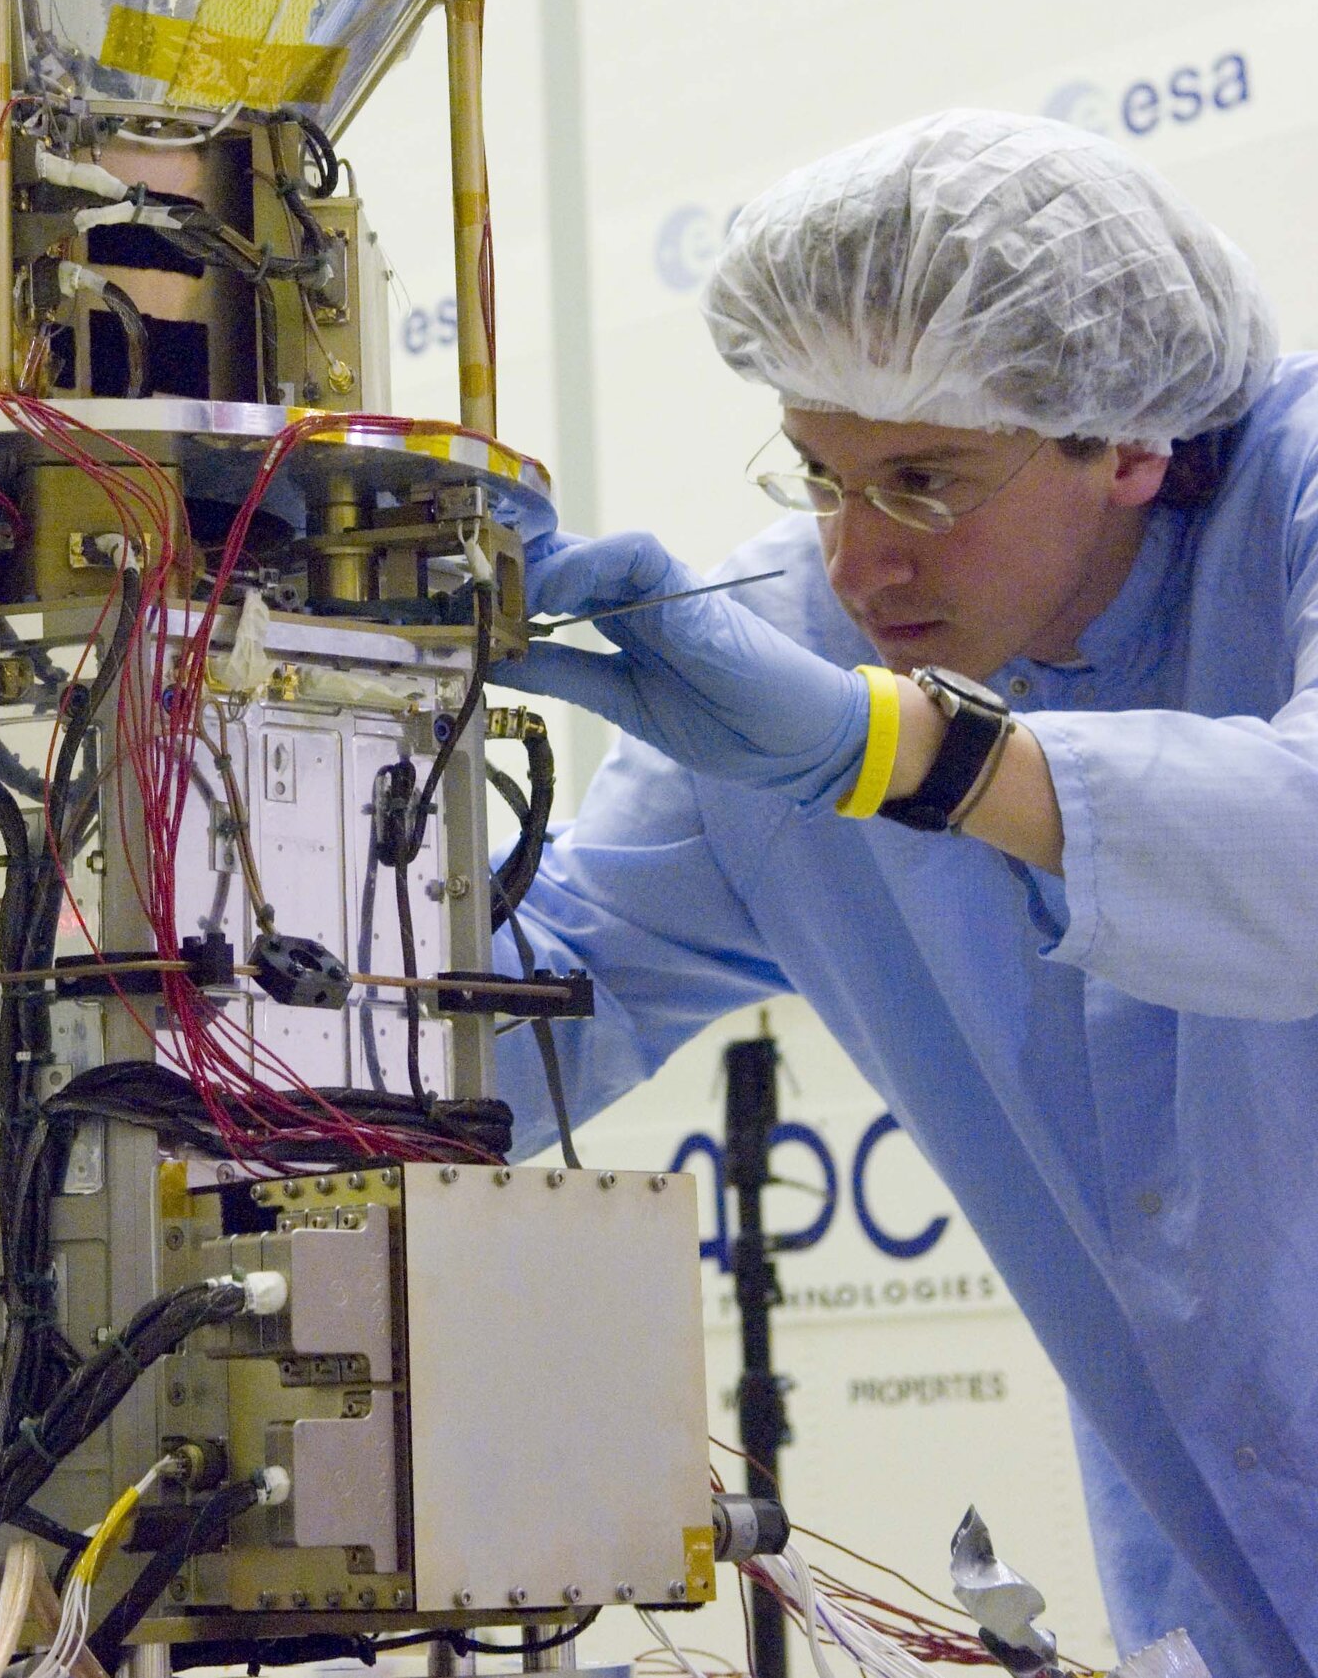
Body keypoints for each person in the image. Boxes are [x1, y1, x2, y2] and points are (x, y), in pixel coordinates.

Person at [496, 109, 1317, 1678]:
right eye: (823, 474)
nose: (861, 560)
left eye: (925, 481)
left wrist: (917, 759)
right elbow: (511, 1034)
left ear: (1128, 441)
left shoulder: (1289, 508)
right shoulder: (807, 658)